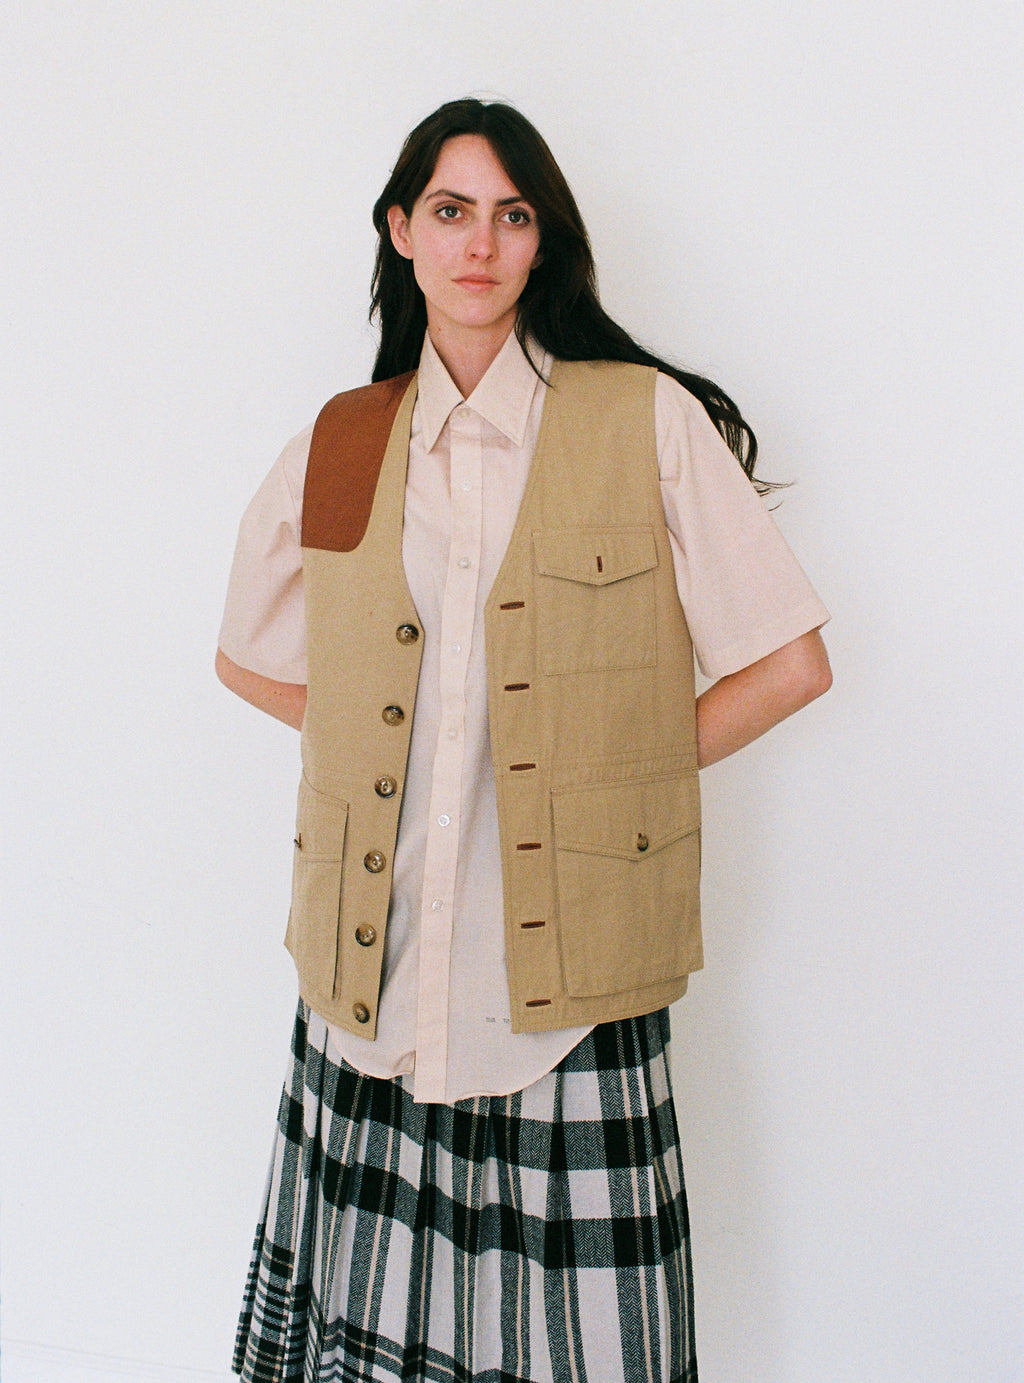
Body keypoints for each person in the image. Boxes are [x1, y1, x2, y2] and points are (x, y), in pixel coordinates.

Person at [217, 97, 831, 1383]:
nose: (478, 244)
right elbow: (252, 658)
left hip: (567, 983)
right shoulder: (346, 437)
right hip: (372, 980)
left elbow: (786, 663)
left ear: (542, 242)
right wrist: (391, 765)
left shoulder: (642, 420)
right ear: (400, 232)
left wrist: (605, 777)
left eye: (510, 214)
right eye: (449, 211)